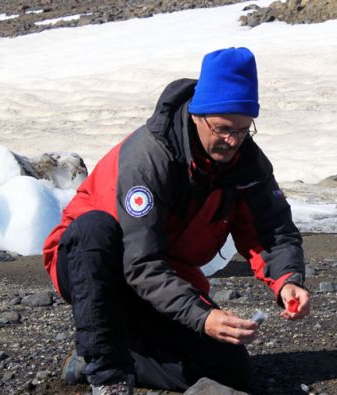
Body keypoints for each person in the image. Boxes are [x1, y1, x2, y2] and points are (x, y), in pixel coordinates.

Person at [42, 47, 310, 395]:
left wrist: (287, 280)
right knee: (94, 228)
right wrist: (202, 316)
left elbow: (272, 230)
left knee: (232, 370)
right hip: (92, 267)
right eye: (224, 129)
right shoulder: (149, 159)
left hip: (165, 273)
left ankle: (99, 353)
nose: (233, 141)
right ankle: (108, 374)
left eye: (244, 130)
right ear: (198, 114)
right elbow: (140, 262)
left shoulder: (245, 160)